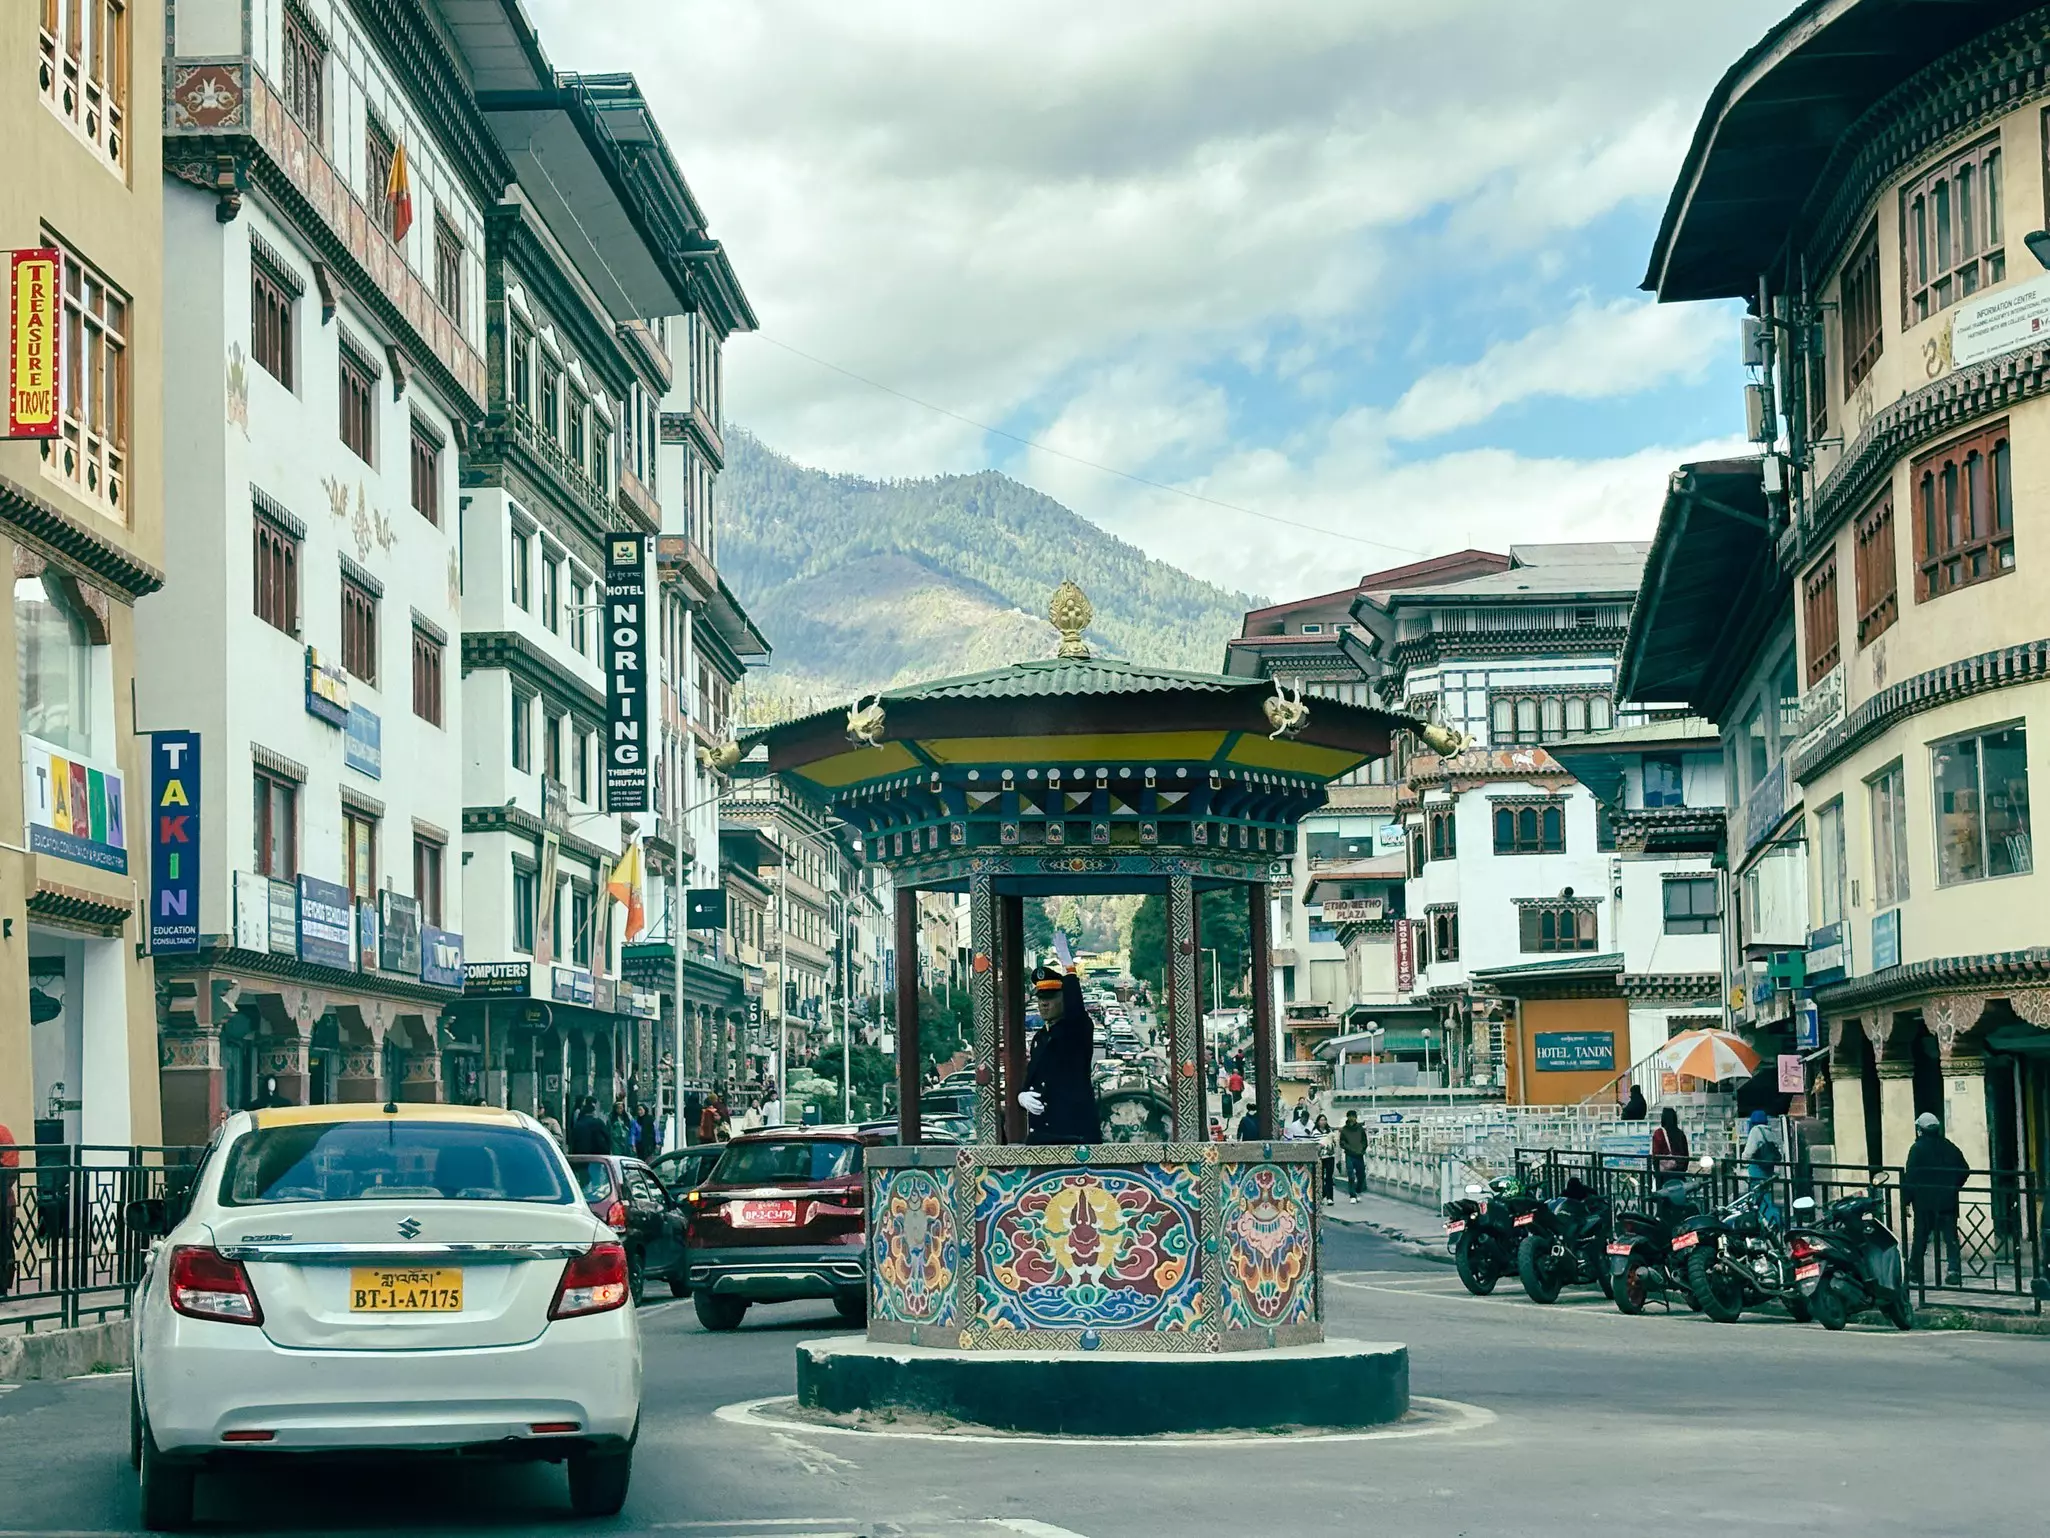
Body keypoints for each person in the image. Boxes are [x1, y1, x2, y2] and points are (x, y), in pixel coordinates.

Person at [1020, 965, 1101, 1144]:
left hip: (1074, 1134)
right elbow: (1034, 1075)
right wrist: (1022, 1095)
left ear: (1065, 999)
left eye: (1050, 998)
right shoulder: (1040, 1037)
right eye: (1041, 998)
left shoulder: (1077, 1030)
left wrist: (1071, 973)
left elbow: (1077, 1012)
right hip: (1043, 1134)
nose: (1044, 1004)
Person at [1903, 1110, 1969, 1287]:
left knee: (1920, 1237)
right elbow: (1964, 1169)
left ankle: (1914, 1270)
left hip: (1924, 1202)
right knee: (1950, 1238)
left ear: (1920, 1129)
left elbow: (1910, 1176)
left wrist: (1906, 1200)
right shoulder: (1949, 1146)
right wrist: (1952, 1186)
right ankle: (1954, 1270)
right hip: (1947, 1200)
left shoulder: (1917, 1149)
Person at [1742, 1109, 1782, 1225]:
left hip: (1757, 1168)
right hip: (1768, 1168)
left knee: (1759, 1195)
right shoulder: (1769, 1131)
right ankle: (1774, 1219)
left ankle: (1770, 1221)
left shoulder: (1755, 1131)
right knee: (1767, 1194)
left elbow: (1749, 1151)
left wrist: (1743, 1160)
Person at [1651, 1105, 1690, 1175]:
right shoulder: (1680, 1133)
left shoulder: (1659, 1133)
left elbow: (1655, 1154)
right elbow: (1686, 1154)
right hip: (1680, 1171)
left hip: (1664, 1173)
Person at [1339, 1110, 1368, 1203]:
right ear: (1348, 1117)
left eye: (1353, 1116)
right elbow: (1342, 1142)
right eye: (1350, 1116)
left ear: (1356, 1117)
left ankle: (1358, 1191)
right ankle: (1352, 1195)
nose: (1352, 1118)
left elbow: (1365, 1141)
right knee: (1351, 1175)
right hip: (1349, 1155)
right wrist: (1349, 1148)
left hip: (1359, 1155)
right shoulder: (1344, 1130)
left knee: (1361, 1175)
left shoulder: (1360, 1129)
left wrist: (1362, 1149)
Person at [1314, 1114, 1337, 1204]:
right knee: (1320, 1177)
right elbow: (1314, 1145)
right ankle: (1320, 1195)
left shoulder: (1329, 1132)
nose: (1323, 1122)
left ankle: (1330, 1197)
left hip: (1329, 1156)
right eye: (1321, 1120)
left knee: (1329, 1177)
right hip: (1320, 1157)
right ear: (1318, 1122)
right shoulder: (1315, 1132)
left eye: (1324, 1120)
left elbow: (1334, 1143)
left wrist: (1332, 1145)